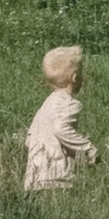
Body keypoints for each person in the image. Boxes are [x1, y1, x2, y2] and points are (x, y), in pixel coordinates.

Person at [23, 44, 97, 194]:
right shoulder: (70, 104)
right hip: (57, 179)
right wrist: (87, 147)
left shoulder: (45, 106)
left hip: (34, 179)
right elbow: (61, 129)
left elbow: (28, 141)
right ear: (75, 78)